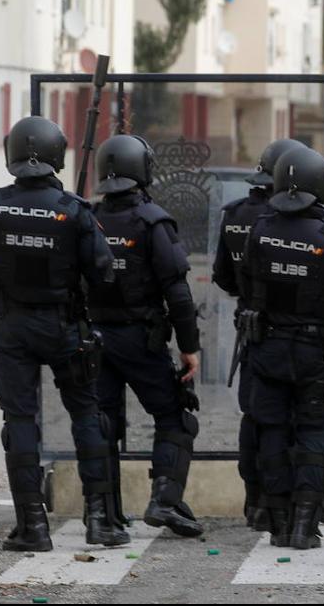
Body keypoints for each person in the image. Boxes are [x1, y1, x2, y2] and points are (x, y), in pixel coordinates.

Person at [0, 116, 128, 550]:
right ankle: (100, 521)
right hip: (65, 326)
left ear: (12, 155)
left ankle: (33, 526)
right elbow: (104, 273)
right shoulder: (74, 211)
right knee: (88, 415)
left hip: (12, 326)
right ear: (56, 156)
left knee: (20, 421)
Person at [239, 147, 324, 549]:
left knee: (273, 433)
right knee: (313, 432)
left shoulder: (259, 230)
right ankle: (303, 524)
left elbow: (245, 287)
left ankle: (278, 522)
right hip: (316, 351)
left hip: (267, 346)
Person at [88, 135, 204, 538]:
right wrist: (190, 348)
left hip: (94, 339)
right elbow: (178, 292)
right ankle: (164, 500)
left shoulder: (87, 218)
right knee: (175, 417)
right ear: (143, 171)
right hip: (141, 339)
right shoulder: (152, 222)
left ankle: (101, 514)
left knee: (101, 424)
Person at [213, 138, 304, 529]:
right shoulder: (290, 219)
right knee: (295, 422)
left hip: (251, 329)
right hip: (298, 333)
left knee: (256, 417)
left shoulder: (235, 214)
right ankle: (284, 501)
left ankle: (256, 501)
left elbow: (223, 278)